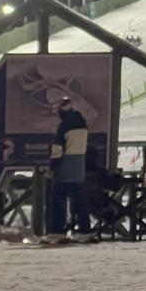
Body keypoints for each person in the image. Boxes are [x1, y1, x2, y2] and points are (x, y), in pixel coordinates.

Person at [47, 98, 92, 239]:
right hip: (78, 168)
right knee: (79, 201)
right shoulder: (83, 124)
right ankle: (84, 230)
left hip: (65, 167)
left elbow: (57, 149)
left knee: (58, 201)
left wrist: (53, 167)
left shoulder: (64, 125)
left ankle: (57, 231)